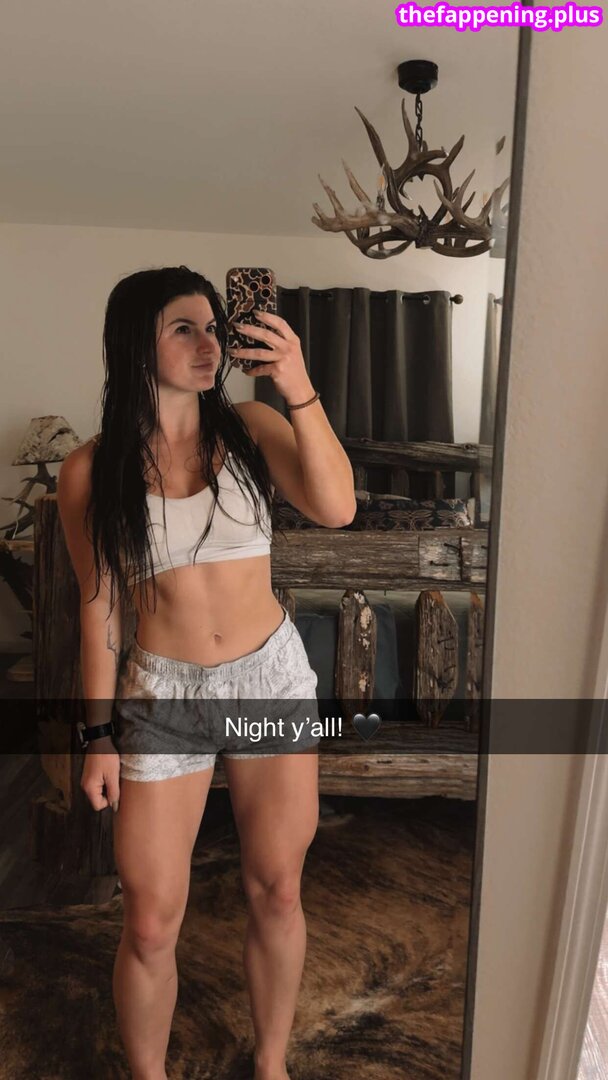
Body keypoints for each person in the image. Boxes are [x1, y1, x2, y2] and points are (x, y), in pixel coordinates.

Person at [57, 265, 357, 1080]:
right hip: (164, 695)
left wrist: (297, 385)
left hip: (270, 679)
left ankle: (271, 1065)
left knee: (277, 888)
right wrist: (96, 735)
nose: (210, 343)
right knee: (151, 921)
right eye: (183, 328)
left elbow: (337, 508)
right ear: (135, 344)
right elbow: (99, 610)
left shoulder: (253, 426)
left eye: (214, 326)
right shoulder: (90, 472)